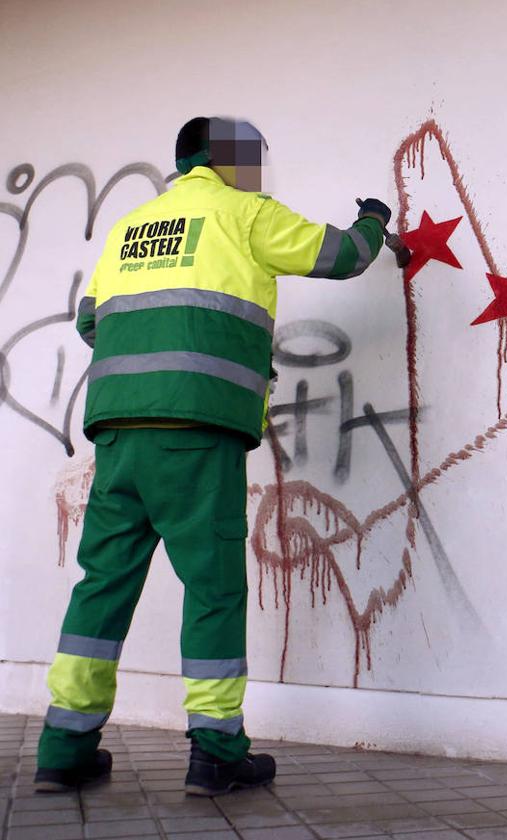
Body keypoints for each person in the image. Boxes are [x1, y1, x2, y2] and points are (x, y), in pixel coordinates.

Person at [34, 116, 393, 796]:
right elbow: (343, 255)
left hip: (117, 433)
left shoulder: (131, 226)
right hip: (197, 430)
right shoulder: (243, 212)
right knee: (214, 589)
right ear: (233, 161)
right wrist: (375, 219)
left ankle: (64, 746)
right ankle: (216, 751)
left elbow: (91, 319)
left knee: (102, 586)